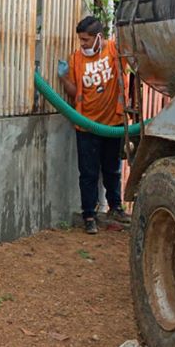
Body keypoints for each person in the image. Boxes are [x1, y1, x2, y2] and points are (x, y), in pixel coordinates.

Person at [57, 15, 130, 235]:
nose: (83, 44)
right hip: (86, 126)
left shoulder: (114, 51)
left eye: (86, 40)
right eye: (80, 40)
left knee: (112, 169)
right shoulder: (76, 59)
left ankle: (115, 208)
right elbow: (74, 92)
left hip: (112, 124)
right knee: (88, 173)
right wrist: (64, 79)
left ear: (99, 37)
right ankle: (89, 215)